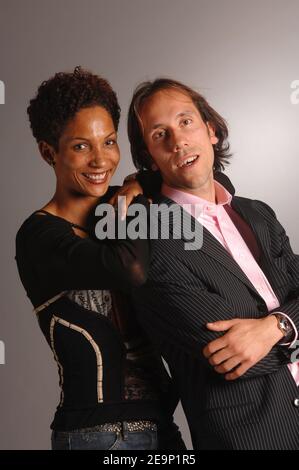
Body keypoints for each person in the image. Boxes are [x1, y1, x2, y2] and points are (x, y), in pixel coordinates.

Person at [15, 68, 185, 450]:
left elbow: (213, 186)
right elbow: (130, 268)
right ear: (48, 152)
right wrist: (133, 196)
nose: (100, 160)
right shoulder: (39, 236)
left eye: (108, 142)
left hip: (164, 428)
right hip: (99, 436)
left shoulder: (121, 201)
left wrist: (138, 183)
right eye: (80, 146)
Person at [127, 78, 299, 450]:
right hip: (252, 438)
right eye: (160, 135)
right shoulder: (149, 239)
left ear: (211, 130)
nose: (178, 142)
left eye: (186, 122)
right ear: (149, 156)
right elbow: (229, 355)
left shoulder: (258, 215)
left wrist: (278, 326)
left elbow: (266, 337)